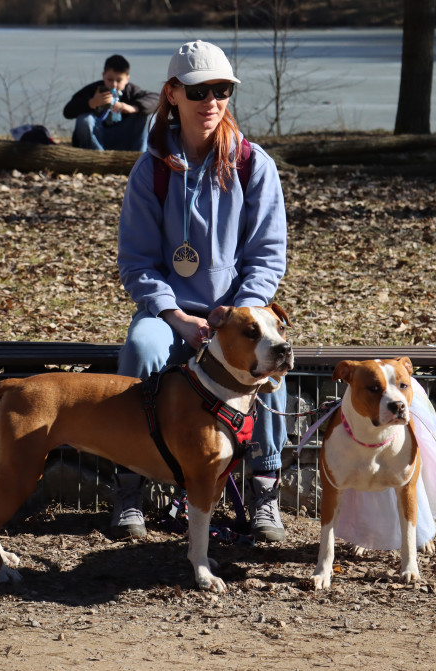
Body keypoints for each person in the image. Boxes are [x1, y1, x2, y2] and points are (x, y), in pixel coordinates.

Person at [111, 40, 289, 542]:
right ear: (172, 94)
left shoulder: (254, 165)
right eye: (198, 90)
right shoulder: (151, 171)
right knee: (141, 349)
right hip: (172, 313)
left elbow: (267, 256)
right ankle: (130, 488)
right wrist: (174, 316)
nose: (211, 101)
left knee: (271, 362)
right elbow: (137, 263)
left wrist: (234, 317)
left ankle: (264, 489)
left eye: (222, 89)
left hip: (238, 313)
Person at [63, 54, 159, 152]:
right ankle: (95, 156)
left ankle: (137, 157)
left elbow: (157, 99)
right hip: (98, 138)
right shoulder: (93, 90)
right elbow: (67, 111)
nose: (113, 84)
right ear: (103, 76)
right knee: (84, 120)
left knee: (148, 116)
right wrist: (91, 103)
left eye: (119, 80)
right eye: (110, 80)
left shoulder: (131, 91)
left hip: (125, 138)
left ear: (127, 79)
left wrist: (133, 108)